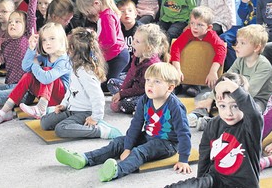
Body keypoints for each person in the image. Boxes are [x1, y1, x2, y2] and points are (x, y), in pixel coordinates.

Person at [55, 62, 192, 182]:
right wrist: (127, 147)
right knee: (118, 142)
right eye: (148, 80)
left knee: (140, 152)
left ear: (170, 88)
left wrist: (184, 160)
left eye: (157, 81)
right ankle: (84, 158)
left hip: (167, 143)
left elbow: (184, 134)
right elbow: (136, 125)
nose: (150, 84)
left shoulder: (175, 106)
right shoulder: (145, 100)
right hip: (148, 136)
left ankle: (116, 171)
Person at [166, 73, 263, 188]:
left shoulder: (251, 125)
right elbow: (204, 157)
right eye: (223, 106)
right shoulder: (213, 124)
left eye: (235, 106)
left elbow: (254, 113)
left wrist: (229, 86)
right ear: (216, 103)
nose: (229, 112)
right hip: (214, 179)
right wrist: (200, 180)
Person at [40, 27, 122, 139]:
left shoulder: (85, 72)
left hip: (85, 112)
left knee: (61, 129)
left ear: (75, 51)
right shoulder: (75, 67)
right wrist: (64, 104)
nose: (66, 50)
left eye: (69, 48)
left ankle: (100, 131)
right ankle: (67, 118)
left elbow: (98, 97)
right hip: (72, 108)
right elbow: (71, 90)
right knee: (44, 122)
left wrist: (96, 117)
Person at [189, 24, 272, 129]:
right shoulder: (240, 60)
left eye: (243, 43)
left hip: (256, 99)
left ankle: (212, 123)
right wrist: (214, 96)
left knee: (252, 110)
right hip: (235, 93)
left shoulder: (263, 66)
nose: (237, 46)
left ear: (256, 47)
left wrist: (226, 97)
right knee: (207, 95)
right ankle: (198, 114)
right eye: (237, 42)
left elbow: (249, 93)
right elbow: (225, 78)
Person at [0, 22, 71, 123]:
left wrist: (35, 64)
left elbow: (46, 78)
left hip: (62, 100)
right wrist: (31, 48)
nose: (47, 43)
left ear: (62, 41)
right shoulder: (45, 57)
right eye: (44, 40)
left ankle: (40, 108)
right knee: (28, 75)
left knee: (46, 72)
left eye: (52, 38)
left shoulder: (64, 61)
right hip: (47, 97)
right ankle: (5, 110)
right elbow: (26, 67)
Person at [75, 0, 129, 90]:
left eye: (88, 11)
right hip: (112, 55)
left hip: (117, 56)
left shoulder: (106, 17)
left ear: (96, 3)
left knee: (106, 85)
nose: (88, 14)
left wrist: (96, 45)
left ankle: (126, 82)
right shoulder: (104, 15)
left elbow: (110, 40)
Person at [108, 23, 169, 114]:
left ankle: (145, 108)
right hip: (136, 87)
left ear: (148, 48)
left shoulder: (151, 65)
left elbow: (140, 89)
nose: (133, 43)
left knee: (125, 105)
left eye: (137, 41)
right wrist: (122, 91)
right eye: (133, 39)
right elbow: (130, 75)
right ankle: (131, 102)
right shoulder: (137, 56)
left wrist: (122, 94)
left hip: (147, 93)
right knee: (111, 82)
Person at [219, 0, 266, 70]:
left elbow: (262, 19)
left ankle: (239, 69)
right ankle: (233, 68)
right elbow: (241, 15)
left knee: (245, 42)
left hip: (256, 29)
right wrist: (244, 2)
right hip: (244, 27)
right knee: (223, 39)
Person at [170, 6, 226, 95]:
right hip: (187, 66)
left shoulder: (211, 35)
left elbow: (221, 49)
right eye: (192, 23)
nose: (195, 27)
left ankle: (196, 85)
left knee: (203, 52)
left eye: (200, 25)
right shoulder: (188, 33)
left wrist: (213, 71)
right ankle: (178, 84)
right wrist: (177, 69)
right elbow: (176, 46)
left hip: (202, 67)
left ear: (209, 27)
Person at [116, 0, 141, 70]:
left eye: (130, 11)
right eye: (122, 11)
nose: (126, 14)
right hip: (125, 62)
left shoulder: (140, 29)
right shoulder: (118, 29)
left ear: (135, 14)